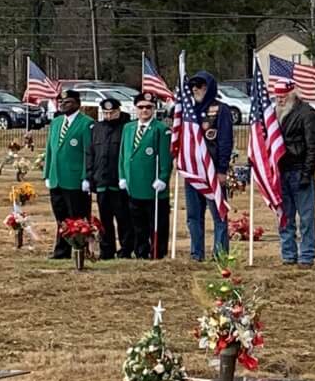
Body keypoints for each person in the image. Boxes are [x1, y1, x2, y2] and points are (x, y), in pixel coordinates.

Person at [184, 70, 233, 261]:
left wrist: (222, 169)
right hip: (193, 172)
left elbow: (225, 141)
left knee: (219, 215)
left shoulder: (221, 110)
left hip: (212, 171)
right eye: (193, 87)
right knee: (193, 217)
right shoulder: (188, 112)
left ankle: (220, 254)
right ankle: (196, 253)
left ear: (209, 87)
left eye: (201, 86)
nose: (196, 90)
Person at [273, 75, 315, 268]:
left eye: (283, 95)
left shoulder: (307, 113)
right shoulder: (275, 115)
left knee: (306, 217)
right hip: (281, 172)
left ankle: (307, 256)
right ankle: (288, 254)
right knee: (285, 216)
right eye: (277, 96)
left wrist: (307, 173)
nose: (280, 99)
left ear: (292, 93)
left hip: (300, 170)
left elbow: (313, 146)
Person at [42, 88, 93, 259]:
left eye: (68, 102)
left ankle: (81, 249)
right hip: (57, 178)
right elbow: (50, 150)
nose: (63, 105)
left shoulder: (86, 123)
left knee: (77, 217)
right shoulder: (56, 123)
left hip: (75, 179)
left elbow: (88, 152)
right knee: (61, 217)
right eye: (61, 102)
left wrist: (86, 177)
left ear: (78, 104)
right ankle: (61, 251)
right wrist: (47, 174)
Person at [120, 92, 172, 259]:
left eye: (148, 107)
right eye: (141, 107)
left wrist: (163, 178)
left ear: (154, 109)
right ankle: (141, 251)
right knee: (138, 223)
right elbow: (123, 154)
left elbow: (165, 157)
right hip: (133, 184)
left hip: (153, 185)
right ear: (136, 109)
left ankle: (158, 251)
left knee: (156, 222)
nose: (144, 110)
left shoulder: (161, 129)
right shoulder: (128, 128)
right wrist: (122, 176)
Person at [88, 95, 134, 260]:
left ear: (118, 111)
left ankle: (126, 249)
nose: (108, 116)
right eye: (105, 113)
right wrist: (90, 176)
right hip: (102, 181)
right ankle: (107, 250)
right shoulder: (97, 128)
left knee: (123, 218)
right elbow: (91, 153)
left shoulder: (127, 127)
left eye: (111, 113)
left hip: (118, 181)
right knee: (104, 219)